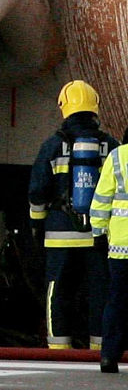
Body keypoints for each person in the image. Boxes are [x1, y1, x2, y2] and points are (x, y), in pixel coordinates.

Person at [28, 79, 117, 351]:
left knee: (57, 291)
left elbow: (38, 191)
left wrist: (36, 225)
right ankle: (99, 348)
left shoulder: (53, 145)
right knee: (99, 290)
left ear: (64, 107)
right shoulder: (109, 145)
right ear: (95, 107)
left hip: (58, 234)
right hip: (98, 235)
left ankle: (58, 348)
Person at [90, 129, 128, 373]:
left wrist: (98, 233)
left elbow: (101, 200)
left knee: (117, 301)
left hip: (120, 248)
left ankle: (109, 357)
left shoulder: (116, 157)